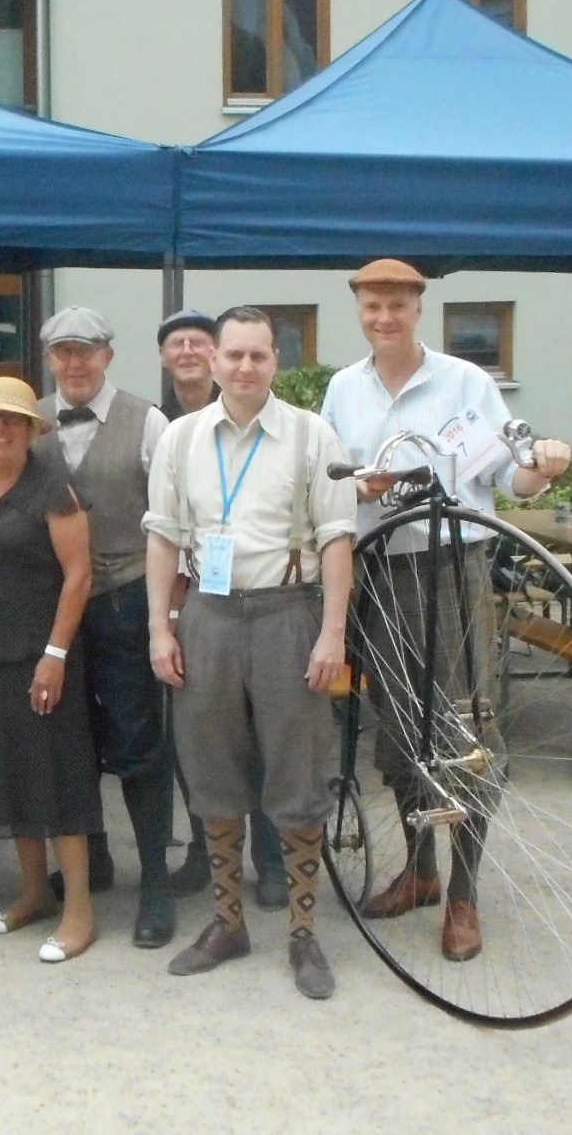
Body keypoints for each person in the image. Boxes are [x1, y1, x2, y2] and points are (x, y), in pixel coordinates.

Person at [320, 258, 572, 963]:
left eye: (397, 305)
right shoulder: (343, 389)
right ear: (360, 311)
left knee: (464, 726)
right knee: (402, 730)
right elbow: (328, 481)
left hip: (453, 569)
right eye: (373, 306)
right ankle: (420, 872)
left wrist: (545, 465)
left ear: (418, 308)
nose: (384, 317)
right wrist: (360, 488)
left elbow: (511, 476)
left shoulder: (465, 382)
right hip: (379, 571)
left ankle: (464, 894)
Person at [144, 305, 356, 998]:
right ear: (213, 360)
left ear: (275, 362)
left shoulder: (311, 434)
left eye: (257, 355)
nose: (244, 367)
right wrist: (160, 628)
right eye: (232, 355)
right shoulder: (181, 438)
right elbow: (163, 536)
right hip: (206, 616)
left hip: (286, 614)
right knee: (211, 770)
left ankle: (303, 932)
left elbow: (337, 539)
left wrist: (332, 631)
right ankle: (227, 922)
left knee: (297, 773)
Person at [32, 306, 176, 949]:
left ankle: (156, 884)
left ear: (108, 357)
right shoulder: (30, 419)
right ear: (49, 360)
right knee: (70, 740)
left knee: (139, 744)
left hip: (125, 599)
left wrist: (168, 612)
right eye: (63, 352)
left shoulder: (148, 421)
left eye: (86, 350)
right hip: (55, 605)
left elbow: (173, 519)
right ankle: (92, 861)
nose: (75, 363)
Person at [0, 376, 100, 964]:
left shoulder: (54, 490)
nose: (0, 428)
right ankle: (34, 892)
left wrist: (55, 656)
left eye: (12, 419)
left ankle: (79, 912)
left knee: (58, 777)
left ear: (31, 430)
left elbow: (79, 576)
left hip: (44, 657)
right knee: (14, 773)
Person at [155, 308, 288, 912]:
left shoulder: (260, 417)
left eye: (197, 341)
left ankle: (273, 860)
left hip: (259, 599)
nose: (187, 352)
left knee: (260, 736)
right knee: (202, 738)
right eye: (176, 343)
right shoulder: (164, 427)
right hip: (194, 601)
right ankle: (205, 854)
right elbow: (161, 526)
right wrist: (164, 616)